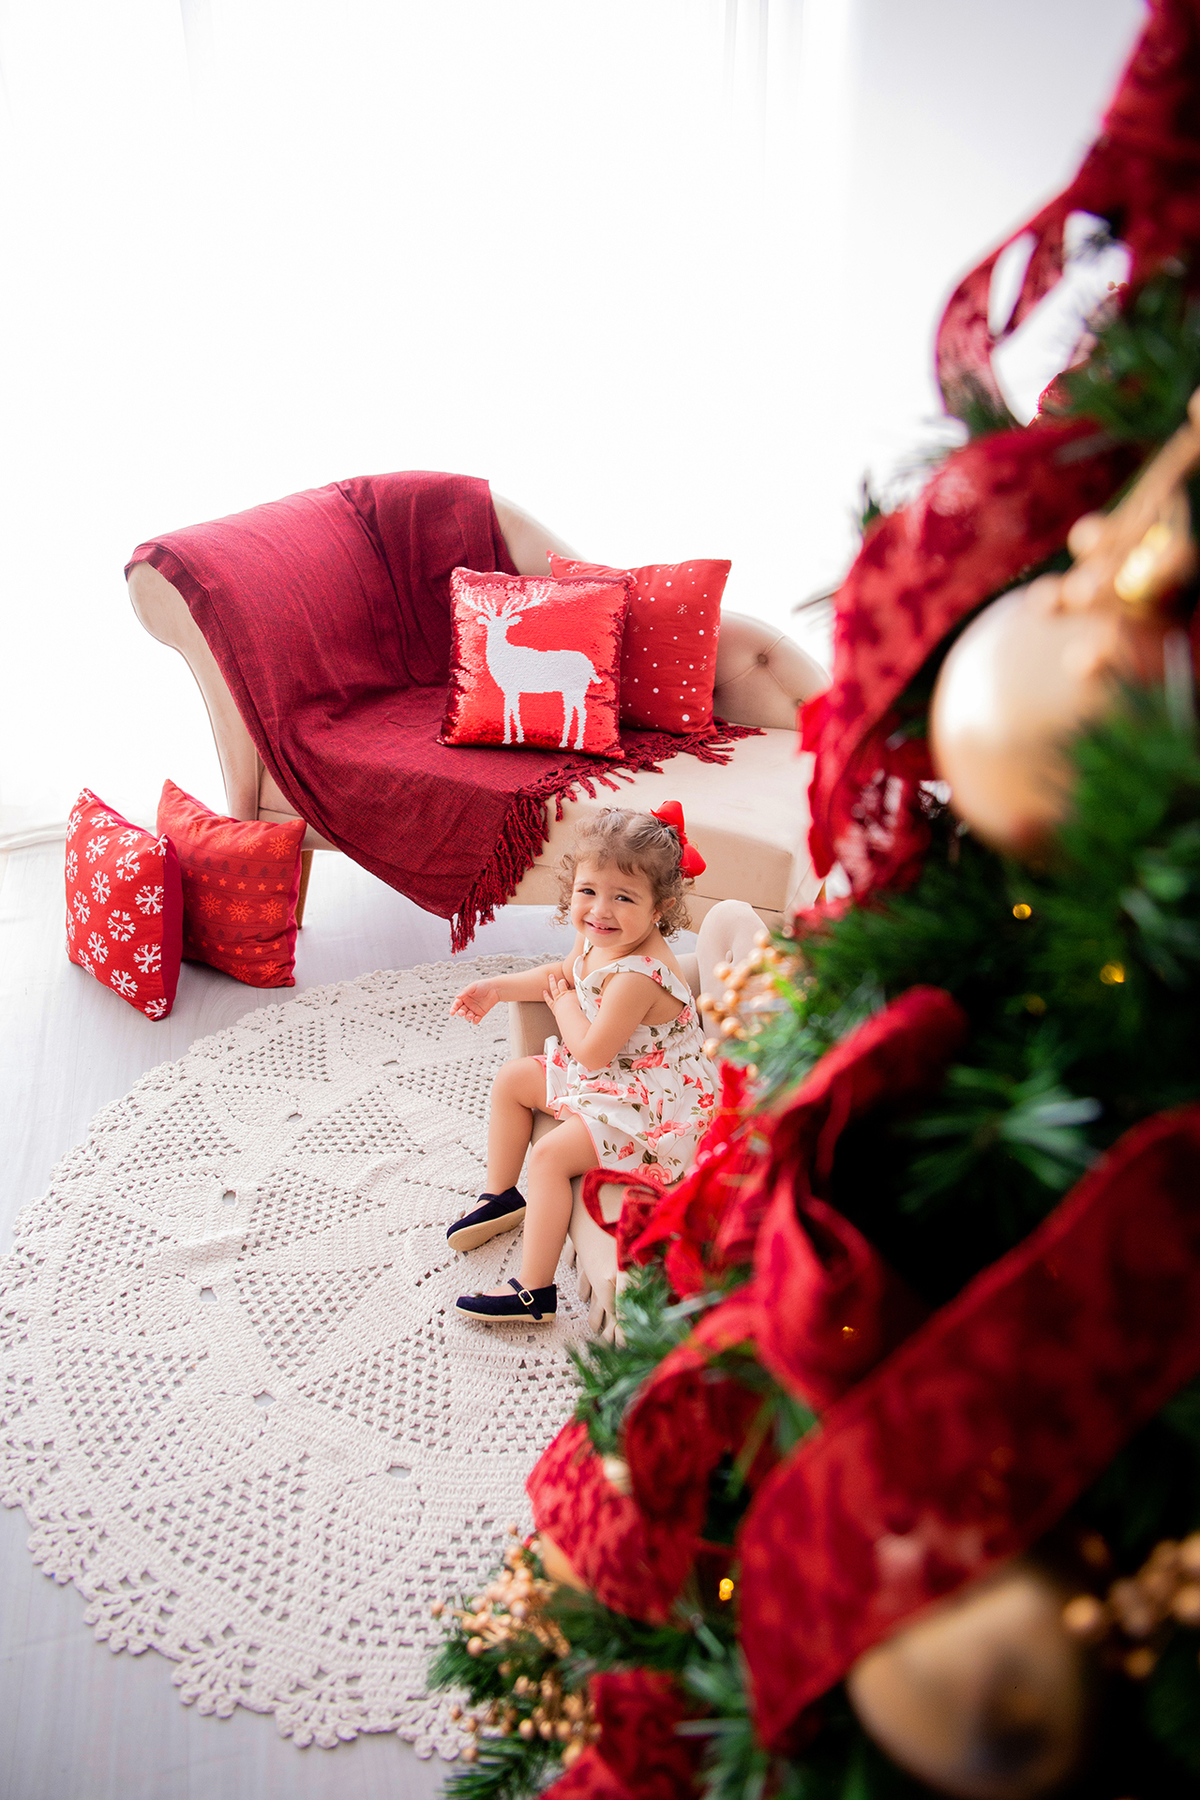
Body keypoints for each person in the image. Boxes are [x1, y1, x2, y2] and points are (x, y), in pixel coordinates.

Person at [445, 805, 717, 1323]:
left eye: (623, 898)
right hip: (616, 1074)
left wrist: (564, 1006)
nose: (600, 910)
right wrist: (496, 989)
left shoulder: (640, 975)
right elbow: (565, 973)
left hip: (653, 1102)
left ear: (660, 906)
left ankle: (533, 1291)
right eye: (588, 891)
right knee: (513, 1080)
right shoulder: (598, 936)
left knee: (549, 1156)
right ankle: (501, 1194)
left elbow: (591, 1050)